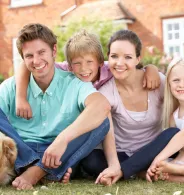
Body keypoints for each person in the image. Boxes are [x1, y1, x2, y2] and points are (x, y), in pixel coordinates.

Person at [14, 30, 161, 182]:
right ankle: (64, 169)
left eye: (89, 62)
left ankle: (125, 169)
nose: (84, 69)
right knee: (89, 160)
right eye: (77, 64)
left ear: (99, 61)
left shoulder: (110, 69)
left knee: (100, 121)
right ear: (70, 66)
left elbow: (134, 66)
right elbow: (27, 65)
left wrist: (151, 69)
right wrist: (20, 98)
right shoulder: (66, 69)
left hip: (101, 129)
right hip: (81, 132)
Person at [0, 23, 111, 190]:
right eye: (29, 56)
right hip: (21, 150)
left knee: (102, 122)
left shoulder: (73, 83)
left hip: (57, 152)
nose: (36, 61)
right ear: (23, 59)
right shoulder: (13, 87)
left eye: (41, 52)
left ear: (53, 51)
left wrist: (62, 139)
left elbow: (101, 106)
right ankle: (37, 168)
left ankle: (38, 171)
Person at [81, 30, 183, 186]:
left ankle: (126, 172)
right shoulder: (105, 93)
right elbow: (108, 133)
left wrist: (152, 68)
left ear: (138, 59)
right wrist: (114, 164)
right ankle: (139, 170)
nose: (120, 63)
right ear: (108, 58)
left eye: (128, 57)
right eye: (114, 56)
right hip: (123, 154)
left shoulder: (158, 82)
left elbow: (180, 114)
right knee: (90, 161)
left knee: (174, 134)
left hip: (153, 150)